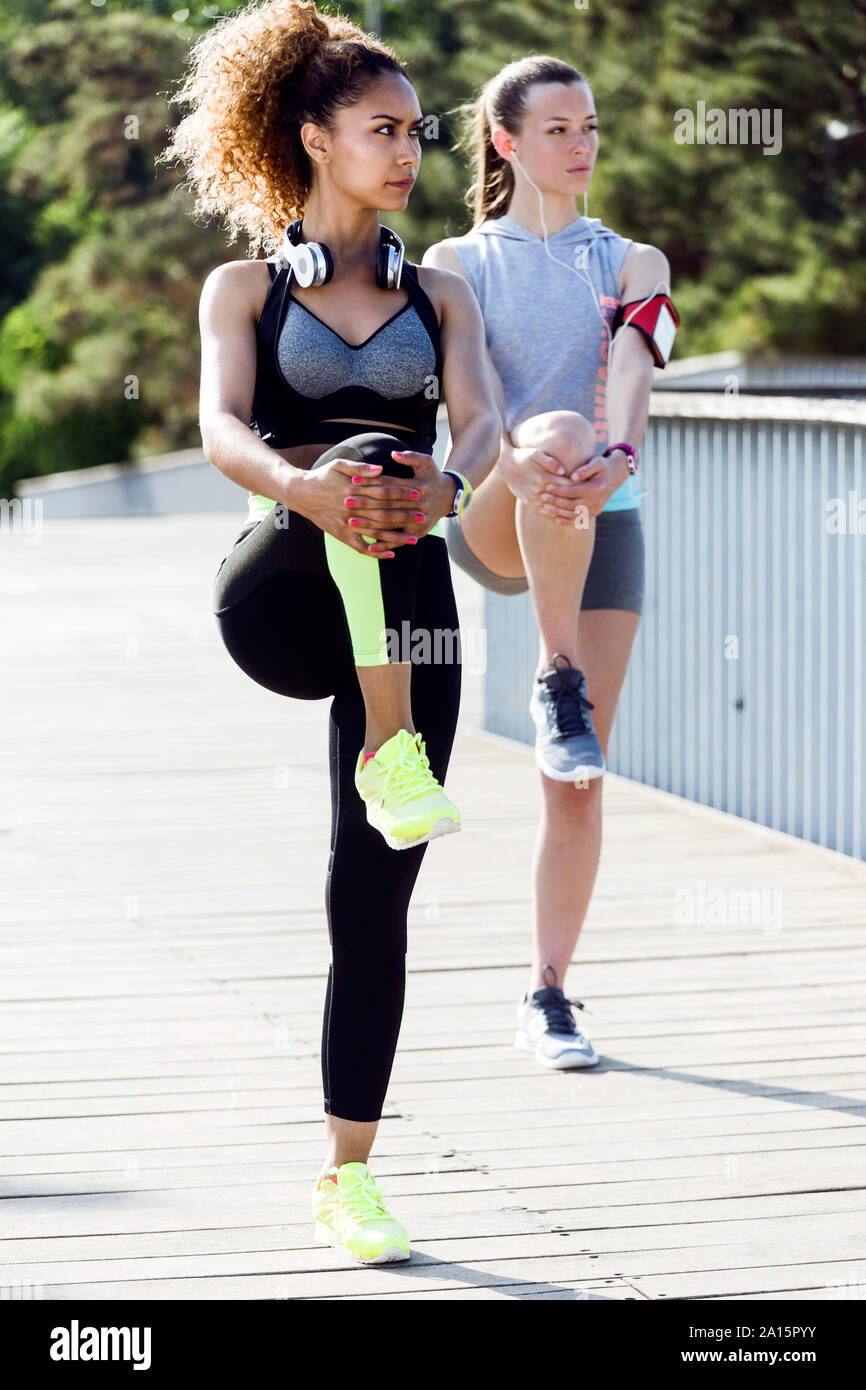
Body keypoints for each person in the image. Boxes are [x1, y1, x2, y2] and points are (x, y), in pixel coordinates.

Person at [160, 0, 499, 1263]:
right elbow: (220, 429)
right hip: (282, 598)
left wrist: (454, 485)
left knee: (375, 894)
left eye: (416, 133)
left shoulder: (441, 291)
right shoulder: (243, 285)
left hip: (405, 615)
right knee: (364, 456)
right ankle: (387, 752)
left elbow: (476, 427)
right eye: (380, 130)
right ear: (313, 138)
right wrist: (304, 485)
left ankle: (346, 1175)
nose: (408, 152)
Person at [423, 56, 677, 1071]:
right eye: (558, 129)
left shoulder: (632, 262)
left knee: (575, 783)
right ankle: (551, 673)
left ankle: (548, 993)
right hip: (497, 505)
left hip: (598, 510)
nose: (582, 145)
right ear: (505, 142)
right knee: (554, 422)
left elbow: (629, 375)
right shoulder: (456, 261)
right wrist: (539, 467)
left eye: (590, 126)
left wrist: (610, 461)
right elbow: (470, 404)